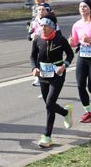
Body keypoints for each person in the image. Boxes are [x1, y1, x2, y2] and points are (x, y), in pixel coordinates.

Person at [30, 14, 74, 148]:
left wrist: (64, 66)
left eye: (46, 25)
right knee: (49, 105)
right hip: (43, 75)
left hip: (57, 75)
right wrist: (34, 68)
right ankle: (66, 112)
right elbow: (32, 57)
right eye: (41, 25)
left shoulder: (60, 39)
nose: (42, 28)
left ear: (52, 27)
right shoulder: (37, 40)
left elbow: (70, 54)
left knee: (49, 104)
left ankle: (47, 136)